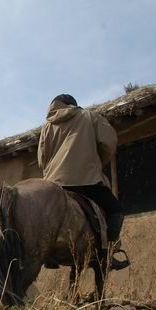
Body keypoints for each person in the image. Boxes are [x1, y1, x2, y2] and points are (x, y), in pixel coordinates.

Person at [37, 94, 130, 270]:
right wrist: (95, 163)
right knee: (116, 210)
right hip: (86, 180)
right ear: (73, 105)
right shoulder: (90, 117)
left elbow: (42, 160)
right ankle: (108, 253)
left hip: (54, 185)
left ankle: (46, 251)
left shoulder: (47, 127)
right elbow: (108, 144)